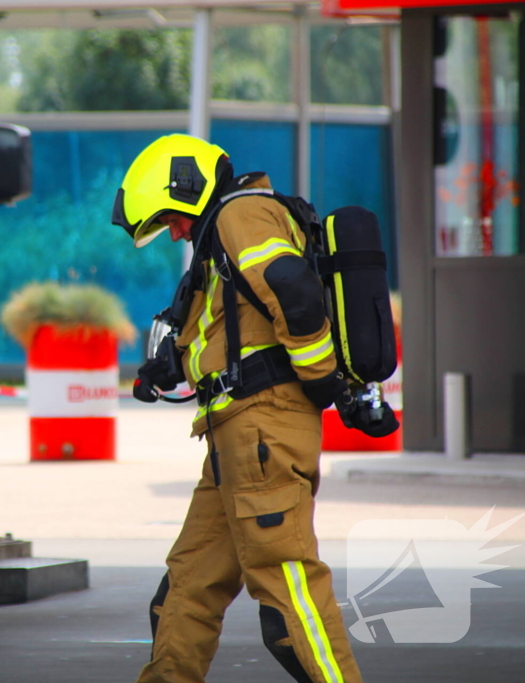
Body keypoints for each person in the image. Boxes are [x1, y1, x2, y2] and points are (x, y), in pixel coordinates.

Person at [113, 134, 380, 683]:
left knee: (289, 594)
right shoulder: (222, 238)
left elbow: (292, 292)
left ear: (190, 187)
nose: (177, 231)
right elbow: (226, 332)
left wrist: (323, 380)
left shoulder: (242, 213)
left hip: (262, 428)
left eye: (173, 218)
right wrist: (167, 368)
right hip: (234, 438)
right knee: (184, 592)